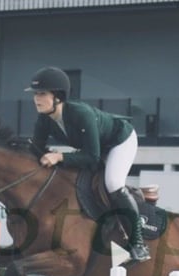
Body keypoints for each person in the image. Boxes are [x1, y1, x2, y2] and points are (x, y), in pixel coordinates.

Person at [25, 66, 150, 263]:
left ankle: (138, 243)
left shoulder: (80, 113)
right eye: (35, 94)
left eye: (42, 93)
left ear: (58, 96)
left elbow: (92, 156)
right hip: (94, 148)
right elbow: (37, 149)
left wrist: (60, 157)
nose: (36, 99)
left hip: (119, 141)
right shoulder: (44, 120)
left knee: (113, 183)